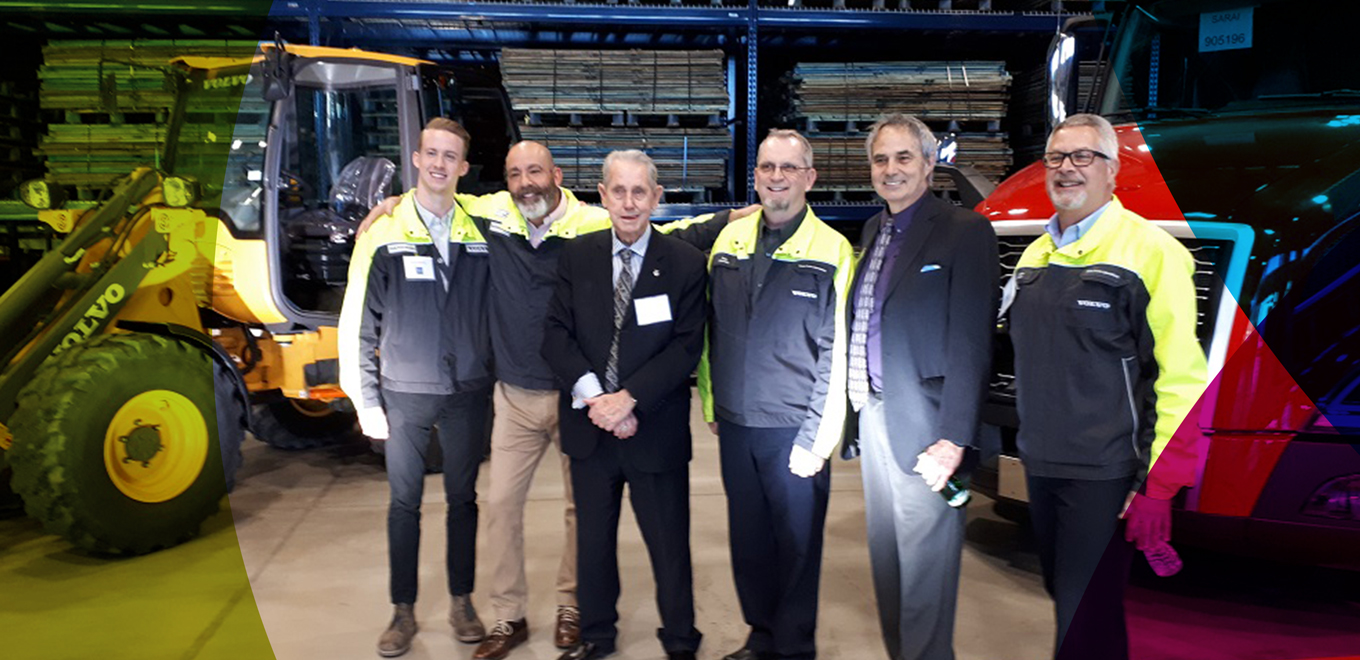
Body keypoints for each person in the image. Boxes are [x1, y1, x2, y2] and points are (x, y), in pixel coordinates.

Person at [356, 142, 737, 660]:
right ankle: (549, 625)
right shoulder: (526, 229)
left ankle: (627, 626)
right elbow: (439, 196)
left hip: (611, 411)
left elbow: (682, 317)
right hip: (543, 403)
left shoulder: (631, 243)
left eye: (535, 170)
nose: (526, 182)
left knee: (626, 530)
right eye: (515, 173)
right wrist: (396, 203)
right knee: (543, 524)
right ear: (603, 194)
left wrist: (625, 399)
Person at [1006, 113, 1207, 660]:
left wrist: (1158, 486)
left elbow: (1181, 378)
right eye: (1055, 158)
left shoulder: (1152, 254)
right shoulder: (1035, 256)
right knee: (1073, 607)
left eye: (1082, 157)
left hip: (1105, 474)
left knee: (1081, 617)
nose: (1066, 169)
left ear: (1112, 170)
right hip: (1043, 465)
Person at [542, 150, 709, 660]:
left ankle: (680, 638)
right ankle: (596, 634)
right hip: (592, 428)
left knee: (668, 545)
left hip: (653, 429)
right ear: (603, 194)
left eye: (641, 192)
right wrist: (598, 398)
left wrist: (629, 399)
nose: (630, 202)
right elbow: (554, 334)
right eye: (620, 191)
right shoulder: (576, 256)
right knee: (593, 544)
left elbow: (686, 345)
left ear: (657, 198)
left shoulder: (683, 263)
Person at [844, 114, 999, 660]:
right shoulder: (874, 229)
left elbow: (973, 343)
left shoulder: (964, 230)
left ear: (930, 165)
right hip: (875, 416)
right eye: (881, 159)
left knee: (926, 578)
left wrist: (954, 437)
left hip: (929, 429)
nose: (891, 170)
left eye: (904, 157)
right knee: (887, 564)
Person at [696, 129, 854, 660]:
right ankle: (760, 637)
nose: (776, 177)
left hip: (795, 429)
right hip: (737, 424)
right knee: (750, 542)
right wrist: (713, 404)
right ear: (756, 175)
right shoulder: (728, 244)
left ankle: (794, 647)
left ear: (809, 178)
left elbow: (838, 354)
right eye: (767, 167)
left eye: (788, 168)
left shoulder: (832, 250)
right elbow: (710, 331)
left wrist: (818, 438)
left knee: (797, 548)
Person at [338, 117, 492, 658]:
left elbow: (544, 201)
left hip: (468, 389)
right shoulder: (384, 232)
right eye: (431, 153)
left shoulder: (480, 227)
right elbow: (359, 319)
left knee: (463, 500)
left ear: (463, 167)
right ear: (417, 158)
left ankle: (461, 600)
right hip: (405, 390)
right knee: (404, 502)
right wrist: (365, 399)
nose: (439, 164)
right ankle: (402, 609)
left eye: (451, 156)